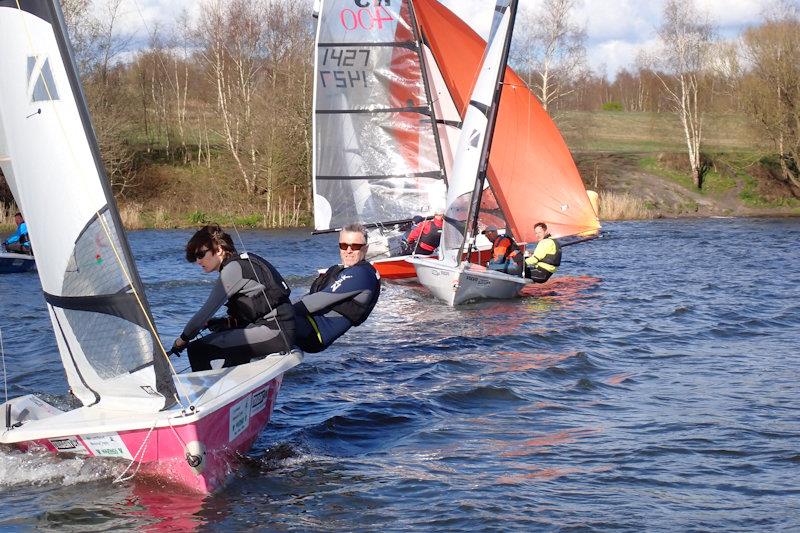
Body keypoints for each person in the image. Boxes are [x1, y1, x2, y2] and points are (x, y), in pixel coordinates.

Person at [171, 224, 295, 371]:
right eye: (194, 257)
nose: (198, 261)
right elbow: (254, 308)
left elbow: (203, 314)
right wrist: (222, 322)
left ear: (219, 250)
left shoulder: (232, 270)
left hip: (275, 333)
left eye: (201, 255)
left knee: (198, 349)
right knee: (222, 336)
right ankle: (234, 384)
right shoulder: (241, 262)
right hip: (278, 329)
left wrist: (182, 339)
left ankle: (206, 393)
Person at [294, 223, 381, 353]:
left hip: (313, 333)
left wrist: (278, 311)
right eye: (344, 245)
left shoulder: (361, 274)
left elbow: (315, 302)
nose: (349, 250)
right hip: (304, 324)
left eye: (356, 246)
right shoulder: (338, 270)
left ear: (366, 248)